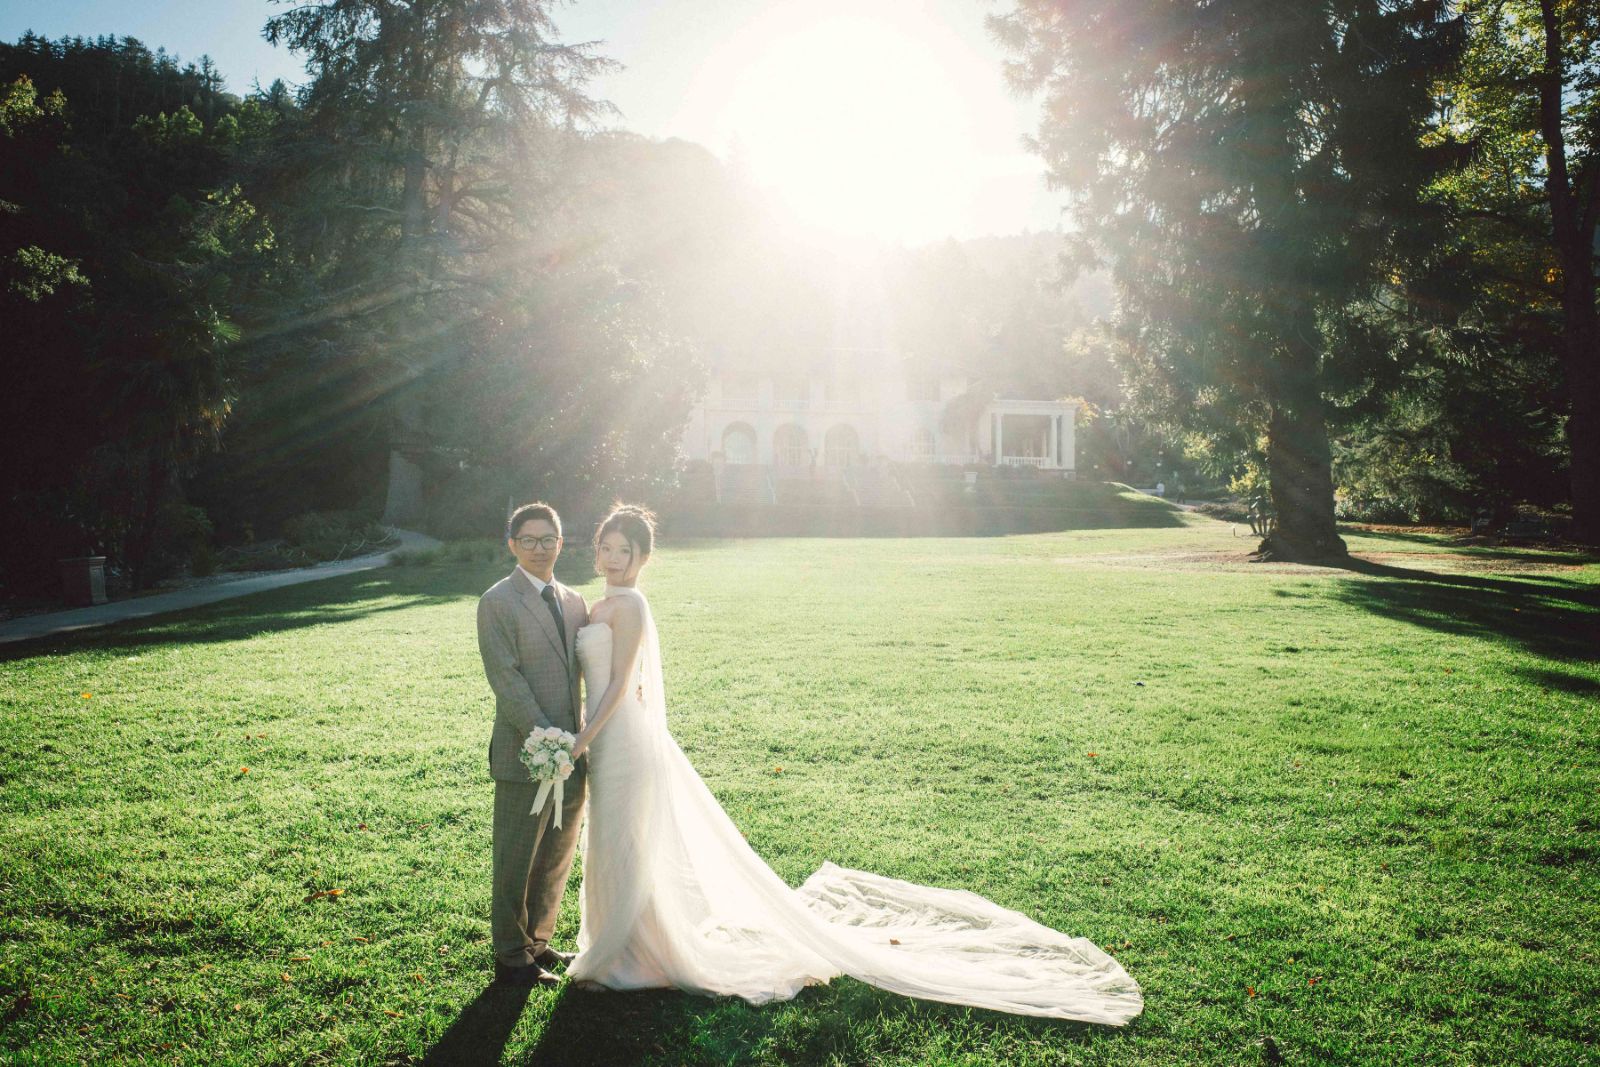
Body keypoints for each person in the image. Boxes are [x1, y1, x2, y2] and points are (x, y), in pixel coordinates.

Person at [564, 503, 1143, 1024]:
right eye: (606, 549)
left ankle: (629, 954)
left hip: (622, 740)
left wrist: (584, 735)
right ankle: (617, 943)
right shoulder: (596, 603)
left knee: (625, 840)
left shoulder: (632, 605)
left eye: (625, 551)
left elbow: (620, 685)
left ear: (644, 557)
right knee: (610, 840)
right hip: (605, 740)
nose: (614, 559)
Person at [475, 501, 589, 987]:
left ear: (560, 544)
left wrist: (577, 744)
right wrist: (546, 740)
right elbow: (507, 679)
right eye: (529, 540)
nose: (539, 548)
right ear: (512, 545)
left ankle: (540, 941)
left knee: (557, 853)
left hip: (576, 753)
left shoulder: (575, 601)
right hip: (528, 751)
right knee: (517, 857)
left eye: (548, 540)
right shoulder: (496, 601)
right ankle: (511, 953)